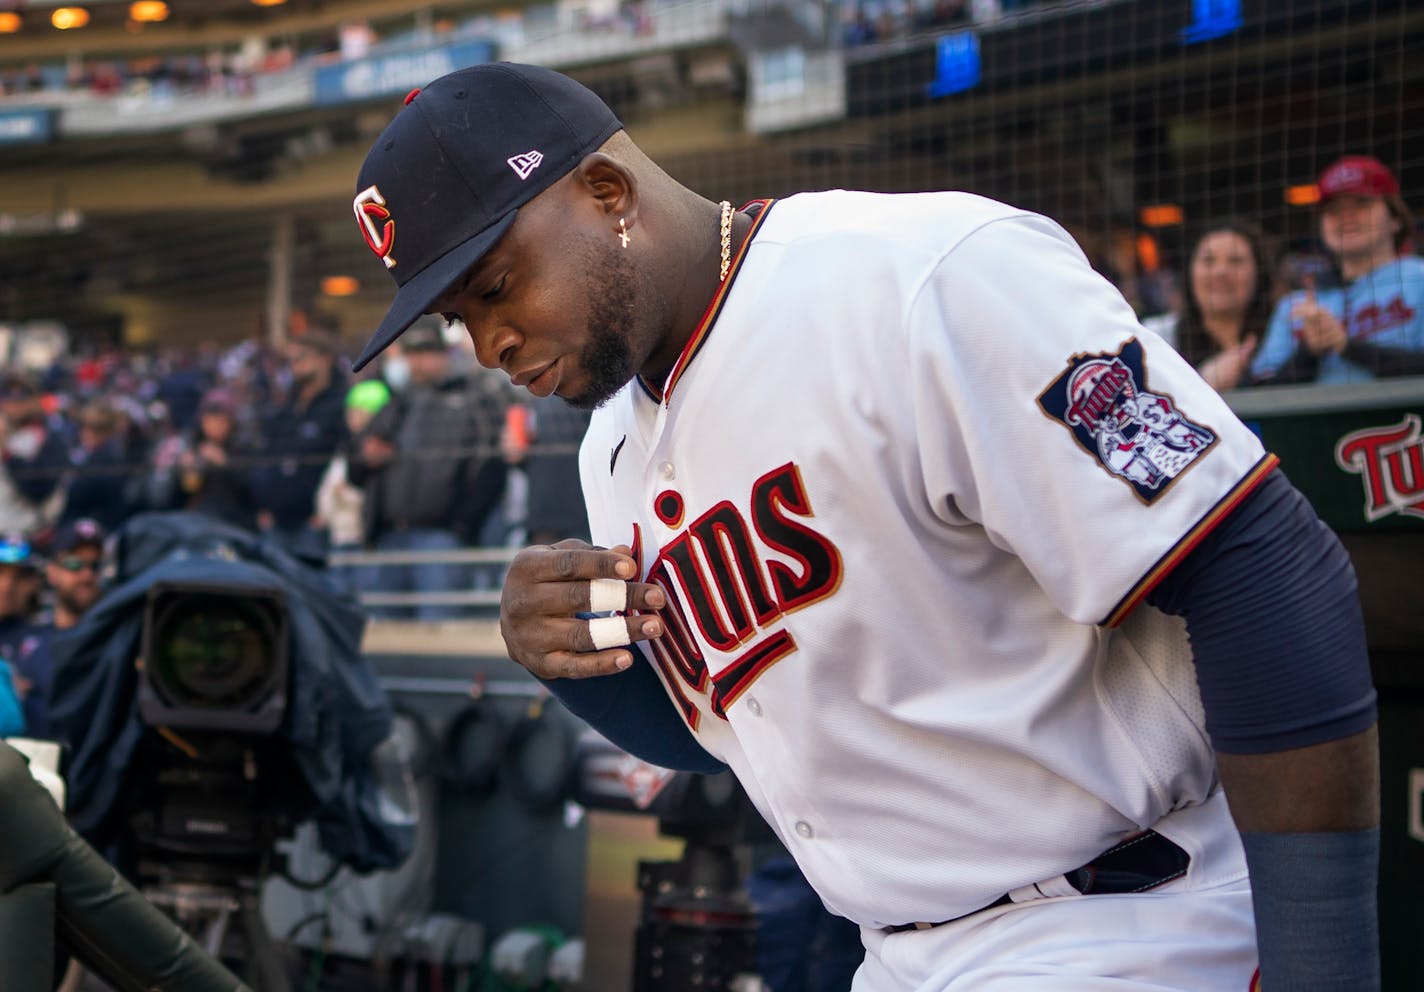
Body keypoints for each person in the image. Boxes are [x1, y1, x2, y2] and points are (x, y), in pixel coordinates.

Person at [350, 64, 1379, 991]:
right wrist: (584, 661)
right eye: (456, 319)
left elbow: (1259, 563)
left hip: (1125, 920)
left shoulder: (917, 276)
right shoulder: (607, 444)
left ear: (606, 194)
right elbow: (755, 737)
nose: (490, 340)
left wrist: (1322, 962)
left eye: (494, 285)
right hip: (898, 952)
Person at [346, 319, 509, 620]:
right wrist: (366, 458)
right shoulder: (395, 402)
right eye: (412, 354)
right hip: (388, 538)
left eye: (425, 353)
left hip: (442, 539)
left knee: (440, 631)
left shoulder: (473, 400)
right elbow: (354, 469)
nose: (417, 362)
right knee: (383, 636)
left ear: (443, 355)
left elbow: (491, 468)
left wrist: (462, 525)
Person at [1251, 154, 1424, 383]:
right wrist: (1309, 352)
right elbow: (1262, 393)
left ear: (1395, 218)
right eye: (1333, 209)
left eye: (1362, 204)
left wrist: (1346, 346)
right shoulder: (1296, 304)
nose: (1346, 217)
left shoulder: (1419, 278)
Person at [1143, 220, 1278, 392]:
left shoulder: (1283, 332)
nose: (1220, 272)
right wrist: (1203, 382)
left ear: (1259, 274)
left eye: (1235, 261)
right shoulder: (1156, 336)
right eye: (1208, 261)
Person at [252, 326, 349, 558]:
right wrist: (263, 506)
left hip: (315, 523)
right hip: (276, 521)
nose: (294, 364)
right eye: (290, 359)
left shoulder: (341, 405)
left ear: (325, 359)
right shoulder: (285, 408)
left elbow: (344, 460)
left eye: (301, 357)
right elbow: (267, 457)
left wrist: (326, 510)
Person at [8, 518, 106, 740]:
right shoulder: (24, 639)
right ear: (52, 572)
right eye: (74, 564)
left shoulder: (113, 641)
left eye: (95, 566)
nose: (87, 575)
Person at [146, 388, 261, 532]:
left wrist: (226, 465)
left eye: (221, 420)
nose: (215, 426)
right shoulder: (192, 446)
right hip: (198, 524)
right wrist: (182, 472)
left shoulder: (243, 448)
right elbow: (172, 498)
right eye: (210, 419)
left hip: (234, 525)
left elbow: (254, 493)